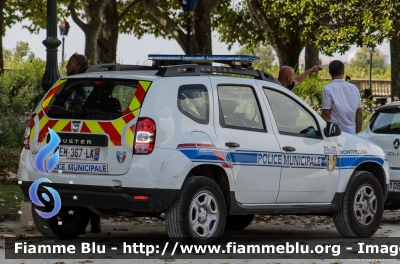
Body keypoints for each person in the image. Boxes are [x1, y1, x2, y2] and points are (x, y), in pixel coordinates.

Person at [65, 53, 101, 233]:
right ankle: (95, 223)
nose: (66, 66)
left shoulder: (78, 84)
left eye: (69, 64)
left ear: (78, 66)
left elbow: (77, 110)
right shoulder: (92, 81)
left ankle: (87, 222)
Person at [321, 60, 362, 135]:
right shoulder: (354, 88)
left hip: (334, 133)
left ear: (330, 72)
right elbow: (359, 113)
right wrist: (358, 134)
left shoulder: (328, 89)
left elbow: (326, 113)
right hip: (351, 133)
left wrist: (321, 131)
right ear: (343, 72)